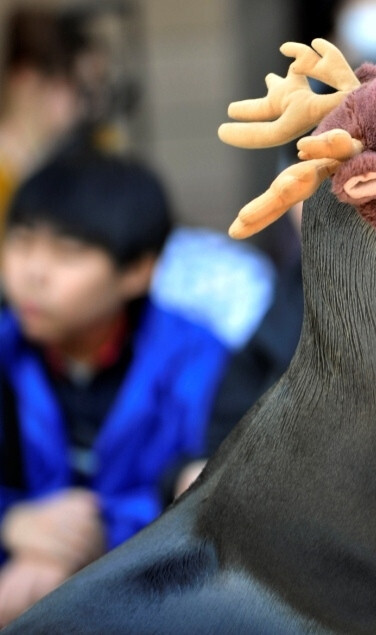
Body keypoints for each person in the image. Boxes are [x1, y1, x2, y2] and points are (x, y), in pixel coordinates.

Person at [0, 151, 229, 624]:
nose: (32, 273)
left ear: (138, 270)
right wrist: (14, 523)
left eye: (68, 253)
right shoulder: (7, 349)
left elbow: (211, 498)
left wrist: (97, 536)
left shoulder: (198, 361)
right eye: (20, 242)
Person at [0, 6, 93, 242]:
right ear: (27, 79)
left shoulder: (57, 154)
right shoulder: (8, 166)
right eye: (76, 87)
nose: (81, 104)